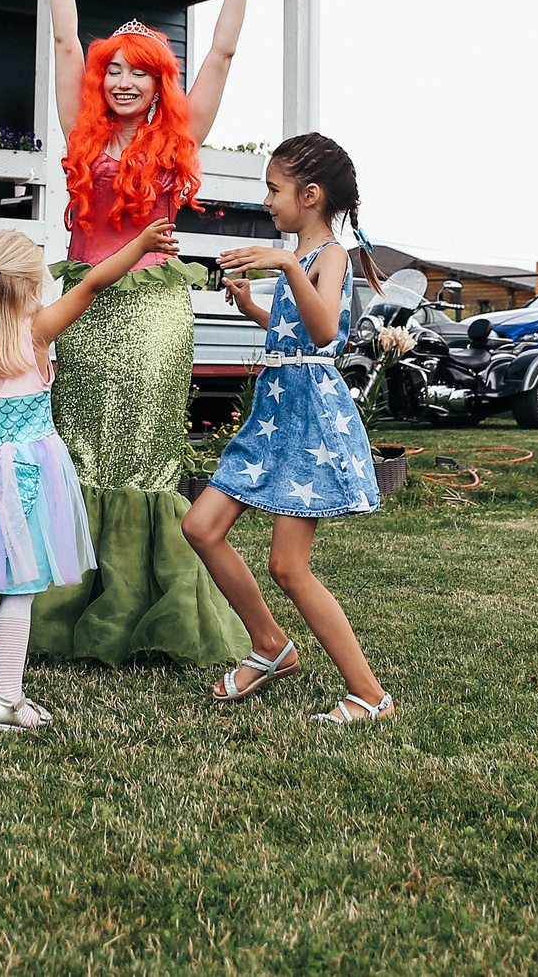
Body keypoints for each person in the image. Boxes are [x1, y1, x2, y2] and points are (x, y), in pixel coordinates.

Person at [22, 0, 287, 667]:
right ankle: (74, 601)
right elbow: (65, 33)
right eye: (116, 71)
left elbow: (222, 56)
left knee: (142, 454)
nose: (124, 81)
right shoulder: (80, 124)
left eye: (141, 72)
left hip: (156, 313)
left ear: (158, 83)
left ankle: (151, 607)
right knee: (81, 447)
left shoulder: (184, 133)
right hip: (86, 305)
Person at [0, 157, 175, 732]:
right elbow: (97, 278)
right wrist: (140, 238)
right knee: (20, 584)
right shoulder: (39, 328)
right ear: (31, 284)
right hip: (26, 464)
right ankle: (7, 699)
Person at [185, 134, 394, 724]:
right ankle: (272, 645)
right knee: (200, 525)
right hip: (274, 411)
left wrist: (281, 265)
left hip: (310, 420)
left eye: (274, 190)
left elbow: (326, 330)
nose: (267, 201)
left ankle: (370, 694)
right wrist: (254, 303)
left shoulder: (329, 254)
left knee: (287, 566)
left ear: (309, 195)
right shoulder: (299, 258)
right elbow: (292, 331)